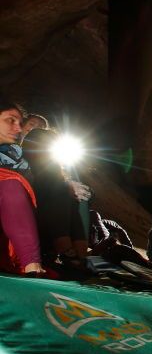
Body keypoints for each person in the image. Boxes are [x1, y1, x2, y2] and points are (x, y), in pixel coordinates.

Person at [22, 128, 89, 271]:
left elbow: (87, 193)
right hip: (28, 226)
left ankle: (79, 255)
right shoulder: (22, 166)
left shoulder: (55, 174)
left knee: (68, 194)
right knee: (61, 189)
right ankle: (68, 252)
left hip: (47, 229)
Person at [0, 99, 43, 275]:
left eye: (20, 123)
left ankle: (72, 254)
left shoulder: (18, 157)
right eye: (10, 120)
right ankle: (30, 264)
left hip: (14, 219)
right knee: (11, 185)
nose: (18, 128)